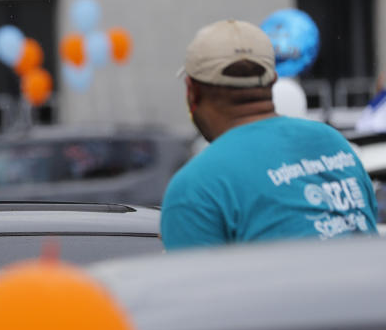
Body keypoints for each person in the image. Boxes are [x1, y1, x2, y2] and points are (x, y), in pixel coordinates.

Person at [161, 19, 379, 250]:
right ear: (273, 80)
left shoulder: (196, 188)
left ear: (192, 91)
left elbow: (192, 285)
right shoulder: (334, 143)